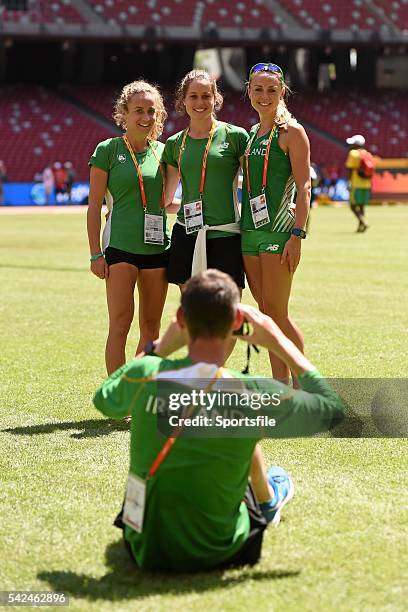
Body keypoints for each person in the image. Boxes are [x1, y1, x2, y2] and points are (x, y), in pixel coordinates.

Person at [93, 269, 344, 573]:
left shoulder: (147, 371)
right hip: (222, 549)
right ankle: (269, 503)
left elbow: (105, 400)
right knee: (237, 425)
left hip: (145, 548)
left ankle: (266, 499)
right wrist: (277, 339)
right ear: (237, 323)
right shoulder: (249, 392)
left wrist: (158, 349)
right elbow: (332, 410)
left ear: (181, 319)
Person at [87, 80, 170, 375]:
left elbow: (168, 201)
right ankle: (117, 397)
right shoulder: (107, 150)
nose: (145, 117)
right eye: (138, 111)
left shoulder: (165, 151)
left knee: (151, 327)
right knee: (120, 324)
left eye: (151, 111)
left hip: (158, 248)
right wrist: (96, 254)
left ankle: (140, 390)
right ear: (124, 113)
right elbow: (94, 206)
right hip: (120, 248)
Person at [240, 62, 310, 382]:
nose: (264, 95)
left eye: (271, 89)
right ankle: (280, 385)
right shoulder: (252, 134)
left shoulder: (292, 132)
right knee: (266, 315)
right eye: (258, 89)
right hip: (249, 233)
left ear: (282, 92)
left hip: (280, 232)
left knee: (278, 313)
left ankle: (305, 385)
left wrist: (297, 234)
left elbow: (305, 186)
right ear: (249, 91)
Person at [162, 69, 249, 289]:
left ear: (215, 98)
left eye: (206, 96)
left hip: (226, 234)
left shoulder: (236, 136)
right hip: (187, 233)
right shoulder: (174, 143)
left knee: (228, 311)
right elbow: (165, 200)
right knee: (192, 312)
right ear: (183, 100)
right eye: (193, 96)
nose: (200, 102)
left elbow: (253, 185)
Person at [345, 134, 374, 232]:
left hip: (356, 184)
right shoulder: (368, 154)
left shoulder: (353, 153)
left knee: (353, 206)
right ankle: (360, 226)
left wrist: (348, 182)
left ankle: (363, 222)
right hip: (366, 184)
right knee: (361, 206)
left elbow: (349, 169)